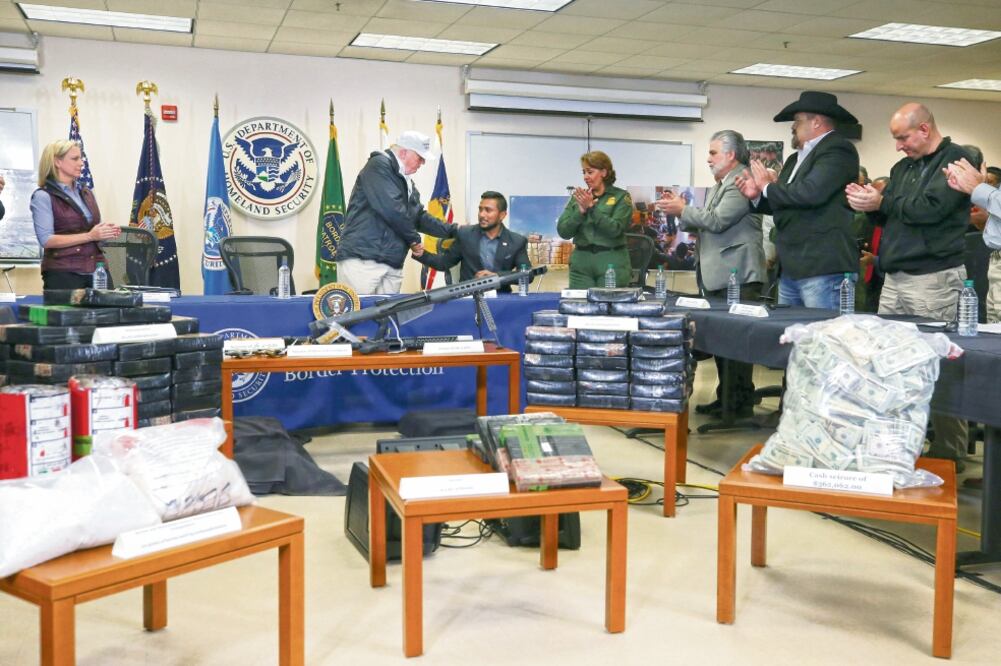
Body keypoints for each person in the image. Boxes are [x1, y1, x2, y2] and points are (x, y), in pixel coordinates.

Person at [847, 102, 971, 471]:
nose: (899, 146)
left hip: (933, 278)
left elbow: (930, 209)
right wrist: (871, 204)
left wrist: (886, 200)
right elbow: (896, 211)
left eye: (903, 137)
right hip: (897, 278)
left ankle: (950, 449)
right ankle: (900, 441)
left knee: (937, 365)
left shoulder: (956, 160)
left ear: (924, 129)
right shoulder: (902, 168)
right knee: (892, 366)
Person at [657, 129, 765, 418]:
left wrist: (684, 209)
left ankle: (738, 404)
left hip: (739, 274)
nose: (708, 158)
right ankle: (727, 398)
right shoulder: (722, 184)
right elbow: (707, 224)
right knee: (723, 342)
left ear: (730, 154)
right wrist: (680, 211)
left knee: (737, 343)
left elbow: (717, 222)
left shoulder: (741, 181)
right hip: (722, 274)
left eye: (713, 152)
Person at [735, 91, 860, 309]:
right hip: (792, 266)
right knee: (791, 335)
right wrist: (757, 196)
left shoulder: (838, 150)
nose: (792, 127)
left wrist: (768, 186)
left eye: (797, 121)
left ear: (817, 122)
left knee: (821, 336)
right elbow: (784, 202)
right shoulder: (794, 159)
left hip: (821, 266)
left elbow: (811, 193)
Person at [336, 131, 456, 295]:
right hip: (363, 260)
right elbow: (392, 209)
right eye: (419, 158)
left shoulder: (407, 182)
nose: (422, 163)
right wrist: (414, 240)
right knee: (358, 316)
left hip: (391, 262)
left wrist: (453, 230)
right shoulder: (378, 166)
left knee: (388, 319)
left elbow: (418, 217)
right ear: (403, 152)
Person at [30, 139, 119, 290]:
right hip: (64, 273)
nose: (81, 163)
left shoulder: (86, 193)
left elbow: (93, 231)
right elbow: (46, 239)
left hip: (97, 270)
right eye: (75, 159)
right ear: (57, 162)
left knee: (107, 313)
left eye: (81, 158)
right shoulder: (43, 196)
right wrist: (90, 236)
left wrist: (104, 232)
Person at [411, 191, 530, 291]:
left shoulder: (517, 241)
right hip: (469, 299)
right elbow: (444, 263)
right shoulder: (465, 234)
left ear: (502, 215)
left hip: (501, 302)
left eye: (488, 210)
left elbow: (527, 275)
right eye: (480, 209)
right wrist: (421, 253)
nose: (482, 214)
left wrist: (497, 276)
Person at [557, 151, 633, 289]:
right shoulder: (578, 198)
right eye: (583, 172)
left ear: (603, 172)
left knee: (608, 307)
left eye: (590, 172)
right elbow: (563, 231)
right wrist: (580, 212)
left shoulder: (621, 197)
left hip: (611, 261)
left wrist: (592, 209)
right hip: (581, 262)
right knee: (579, 307)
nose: (585, 177)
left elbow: (615, 229)